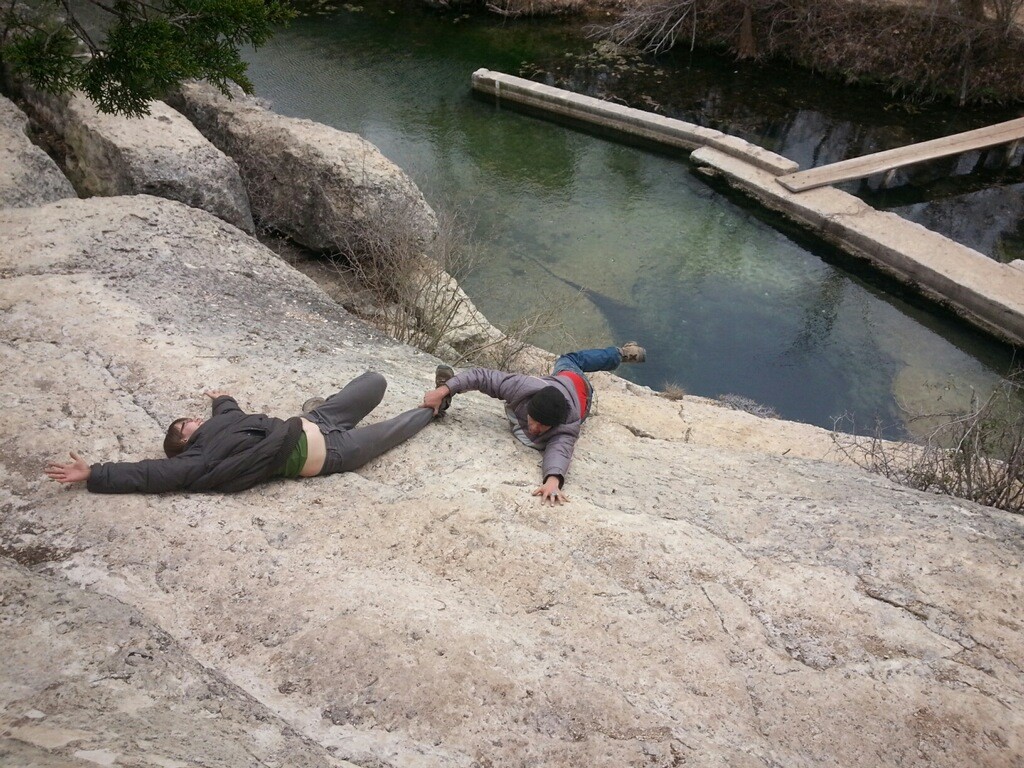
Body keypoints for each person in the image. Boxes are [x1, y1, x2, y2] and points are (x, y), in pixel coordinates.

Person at [46, 371, 435, 494]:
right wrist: (96, 472)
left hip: (317, 419)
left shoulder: (224, 421)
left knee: (375, 381)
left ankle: (327, 402)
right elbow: (151, 473)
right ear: (183, 440)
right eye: (185, 424)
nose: (192, 420)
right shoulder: (198, 459)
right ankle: (438, 405)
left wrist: (222, 397)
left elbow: (229, 412)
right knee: (397, 429)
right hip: (332, 453)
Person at [422, 343, 646, 505]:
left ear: (554, 425)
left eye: (543, 427)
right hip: (558, 381)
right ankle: (619, 354)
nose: (535, 429)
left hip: (580, 390)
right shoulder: (522, 387)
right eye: (533, 420)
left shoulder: (567, 425)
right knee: (566, 361)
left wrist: (553, 480)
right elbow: (483, 377)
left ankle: (620, 354)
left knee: (570, 360)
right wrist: (443, 390)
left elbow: (561, 450)